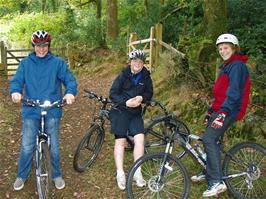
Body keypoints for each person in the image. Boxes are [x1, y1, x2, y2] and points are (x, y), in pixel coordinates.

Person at [10, 30, 78, 191]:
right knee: (27, 145)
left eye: (45, 45)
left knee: (53, 145)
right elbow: (17, 81)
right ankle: (22, 175)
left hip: (52, 108)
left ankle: (56, 175)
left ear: (49, 45)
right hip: (31, 109)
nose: (42, 49)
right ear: (33, 46)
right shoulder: (25, 64)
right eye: (38, 46)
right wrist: (15, 92)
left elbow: (70, 80)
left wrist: (70, 92)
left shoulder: (57, 63)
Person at [191, 33, 250, 197]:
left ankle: (216, 181)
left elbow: (234, 93)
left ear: (234, 48)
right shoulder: (226, 66)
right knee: (211, 139)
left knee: (209, 139)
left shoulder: (237, 66)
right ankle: (210, 172)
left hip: (230, 109)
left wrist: (222, 114)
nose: (222, 51)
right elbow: (220, 94)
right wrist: (211, 112)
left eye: (226, 48)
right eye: (220, 48)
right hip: (222, 108)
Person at [109, 49, 153, 190]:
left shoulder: (146, 76)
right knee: (120, 141)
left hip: (135, 113)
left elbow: (149, 93)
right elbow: (113, 94)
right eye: (135, 61)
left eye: (140, 62)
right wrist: (125, 102)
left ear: (143, 63)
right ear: (131, 62)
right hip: (121, 111)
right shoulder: (123, 75)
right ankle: (120, 173)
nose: (137, 64)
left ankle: (137, 172)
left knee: (140, 140)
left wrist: (142, 98)